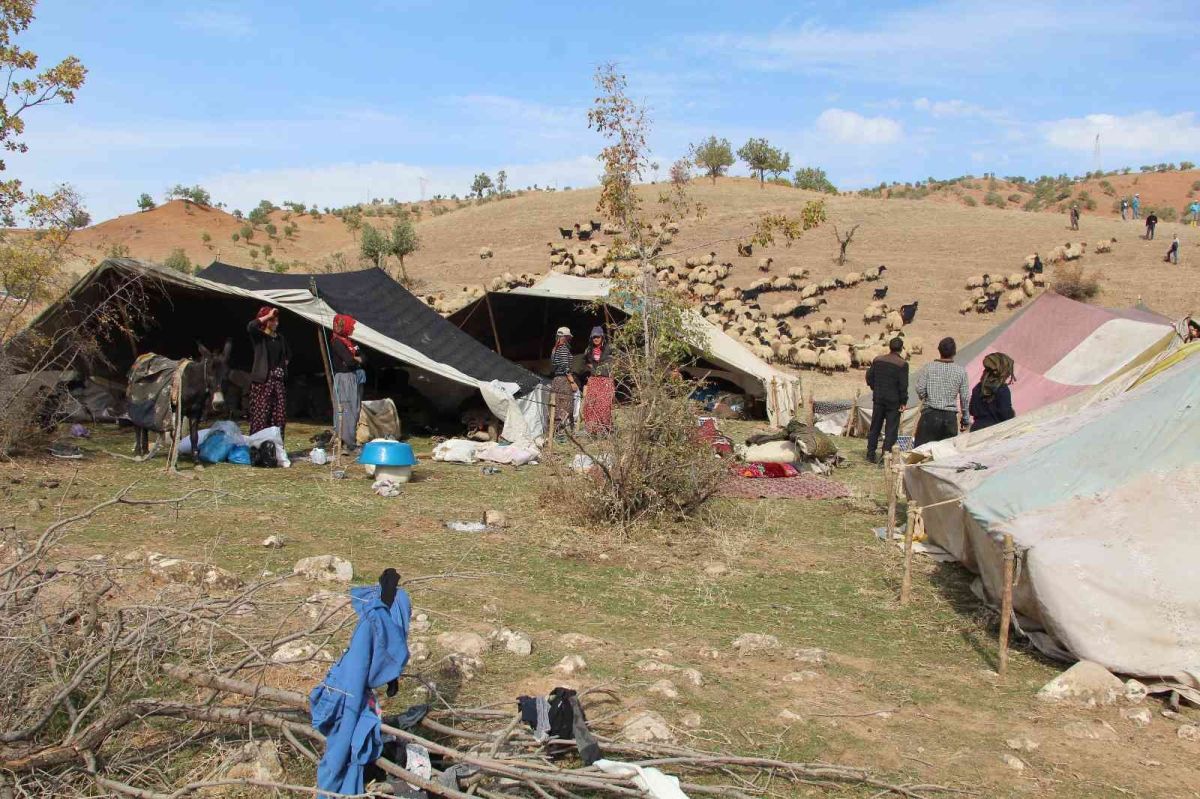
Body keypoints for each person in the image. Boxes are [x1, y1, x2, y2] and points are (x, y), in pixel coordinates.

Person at [914, 337, 970, 447]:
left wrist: (926, 396)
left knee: (922, 453)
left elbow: (920, 388)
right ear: (954, 352)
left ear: (939, 350)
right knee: (945, 455)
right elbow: (965, 397)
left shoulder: (928, 368)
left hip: (929, 415)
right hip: (949, 419)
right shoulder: (961, 371)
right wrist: (965, 419)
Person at [246, 306, 291, 437]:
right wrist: (267, 315)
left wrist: (282, 367)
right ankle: (258, 449)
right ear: (266, 321)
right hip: (263, 382)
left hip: (277, 382)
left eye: (277, 320)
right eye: (272, 321)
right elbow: (251, 326)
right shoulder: (260, 337)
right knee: (261, 415)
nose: (276, 323)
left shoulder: (280, 338)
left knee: (279, 416)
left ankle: (276, 448)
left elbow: (288, 354)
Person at [864, 337, 909, 463]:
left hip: (878, 398)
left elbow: (869, 376)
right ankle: (885, 457)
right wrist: (903, 402)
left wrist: (875, 388)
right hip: (893, 402)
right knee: (891, 430)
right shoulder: (902, 364)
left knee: (875, 427)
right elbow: (903, 386)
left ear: (890, 347)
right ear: (901, 349)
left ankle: (870, 453)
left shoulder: (878, 360)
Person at [330, 313, 364, 452]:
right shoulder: (337, 342)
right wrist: (356, 359)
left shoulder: (350, 342)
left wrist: (355, 358)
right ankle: (346, 442)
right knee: (345, 408)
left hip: (352, 377)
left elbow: (364, 357)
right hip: (343, 378)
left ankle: (351, 439)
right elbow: (349, 361)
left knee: (354, 408)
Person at [968, 353, 1016, 431]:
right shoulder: (1002, 390)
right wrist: (1012, 413)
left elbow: (972, 410)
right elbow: (1005, 414)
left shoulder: (977, 388)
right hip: (994, 432)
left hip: (976, 430)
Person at [580, 326, 614, 435]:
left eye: (598, 336)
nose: (596, 339)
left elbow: (619, 357)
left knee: (604, 404)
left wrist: (612, 368)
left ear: (602, 337)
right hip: (594, 380)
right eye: (594, 337)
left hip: (606, 379)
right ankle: (592, 429)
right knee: (591, 404)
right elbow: (584, 361)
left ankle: (604, 429)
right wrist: (590, 368)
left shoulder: (609, 348)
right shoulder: (589, 350)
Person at [549, 326, 576, 437]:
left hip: (556, 380)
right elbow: (566, 367)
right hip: (564, 381)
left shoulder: (555, 349)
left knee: (557, 406)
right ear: (565, 337)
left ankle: (554, 431)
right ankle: (562, 432)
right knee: (566, 406)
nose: (569, 340)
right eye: (568, 337)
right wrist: (572, 382)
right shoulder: (563, 348)